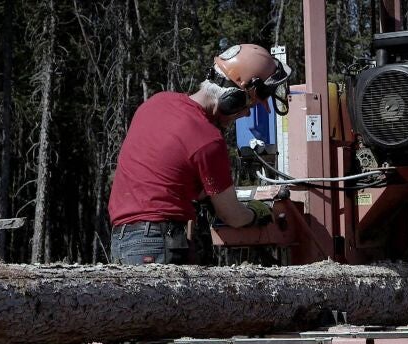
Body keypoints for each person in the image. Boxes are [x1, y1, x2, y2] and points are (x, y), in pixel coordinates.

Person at [108, 43, 292, 265]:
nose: (245, 114)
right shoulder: (208, 138)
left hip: (122, 239)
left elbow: (166, 175)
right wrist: (256, 212)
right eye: (247, 106)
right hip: (157, 242)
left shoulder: (156, 103)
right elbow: (231, 215)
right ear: (232, 99)